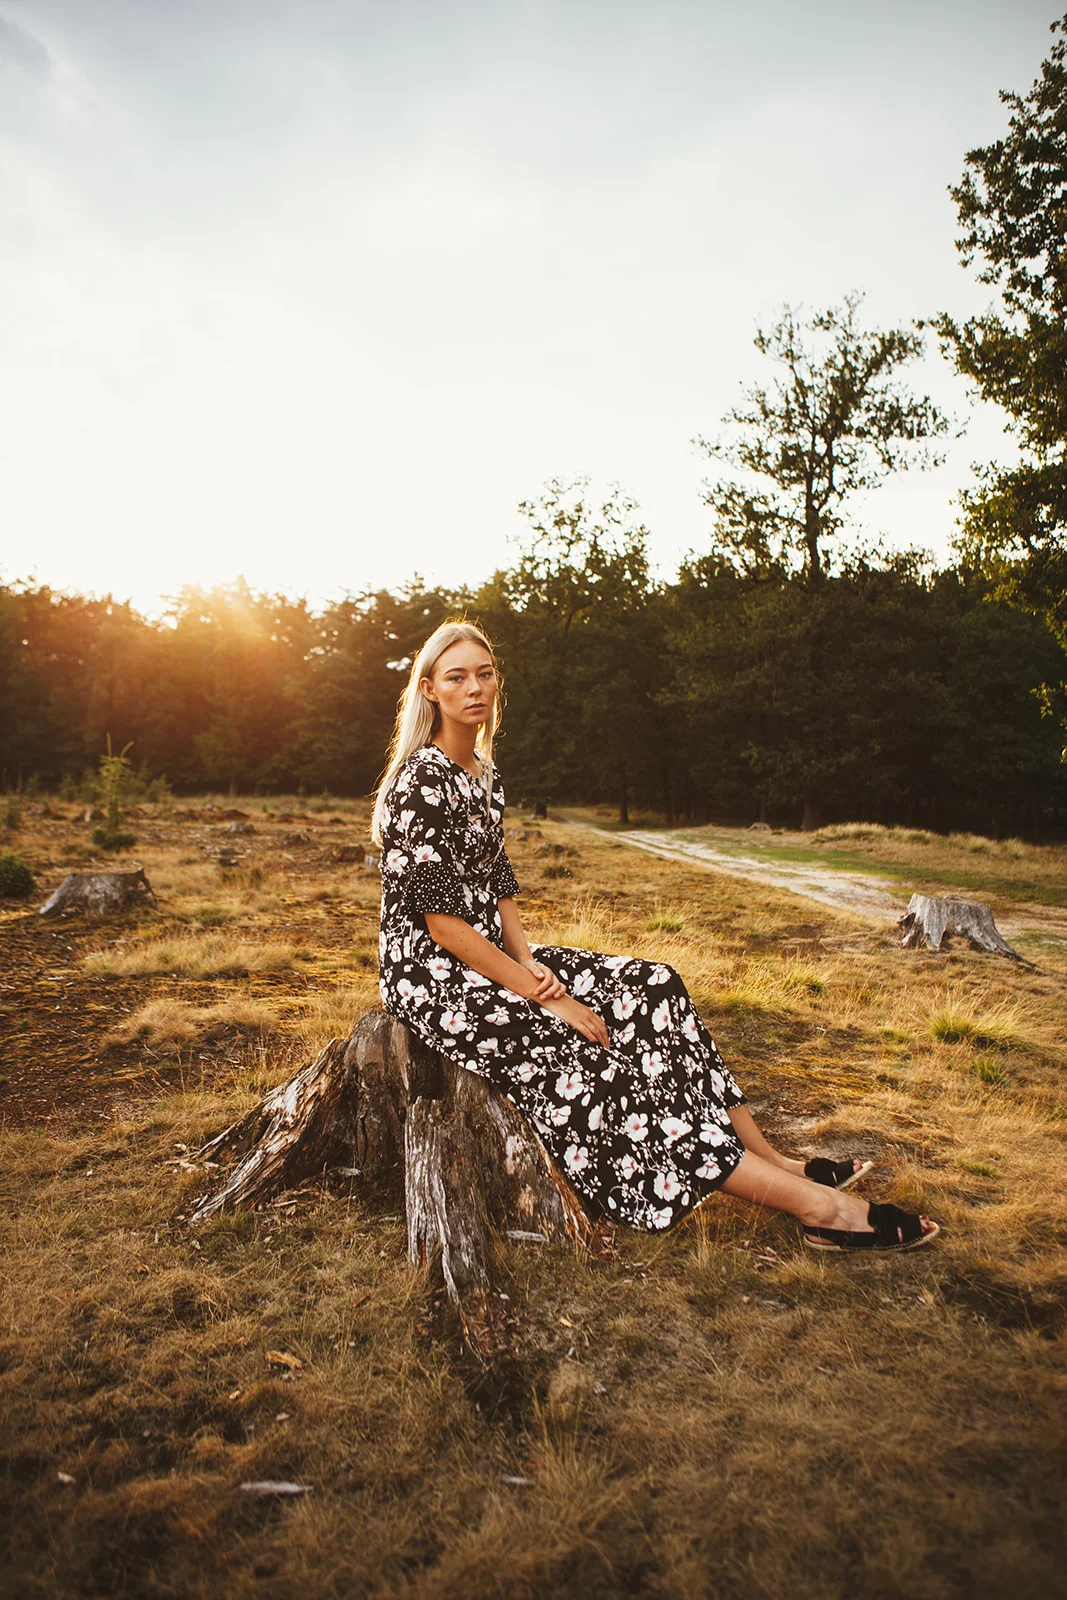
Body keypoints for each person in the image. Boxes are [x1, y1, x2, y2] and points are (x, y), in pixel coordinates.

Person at [372, 620, 938, 1252]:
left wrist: (529, 960)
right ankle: (820, 1210)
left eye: (485, 673)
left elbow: (497, 878)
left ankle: (772, 1158)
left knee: (654, 986)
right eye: (457, 677)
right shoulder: (422, 781)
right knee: (592, 1060)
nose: (475, 688)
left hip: (493, 954)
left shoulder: (484, 772)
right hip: (431, 975)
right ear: (430, 690)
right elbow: (443, 925)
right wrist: (544, 995)